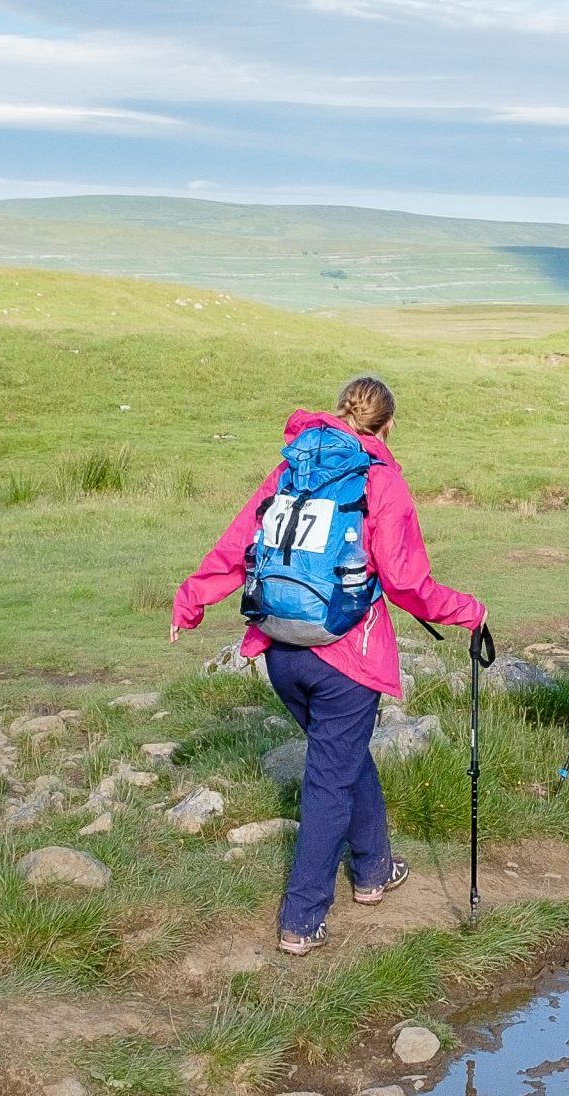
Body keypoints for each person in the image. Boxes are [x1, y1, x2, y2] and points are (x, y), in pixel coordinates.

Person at [172, 376, 487, 956]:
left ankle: (373, 869)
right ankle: (302, 918)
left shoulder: (292, 465)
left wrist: (191, 600)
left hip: (280, 651)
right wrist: (467, 611)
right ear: (387, 426)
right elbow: (405, 582)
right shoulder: (381, 479)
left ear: (340, 411)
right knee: (328, 778)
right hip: (346, 656)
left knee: (339, 757)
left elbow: (239, 543)